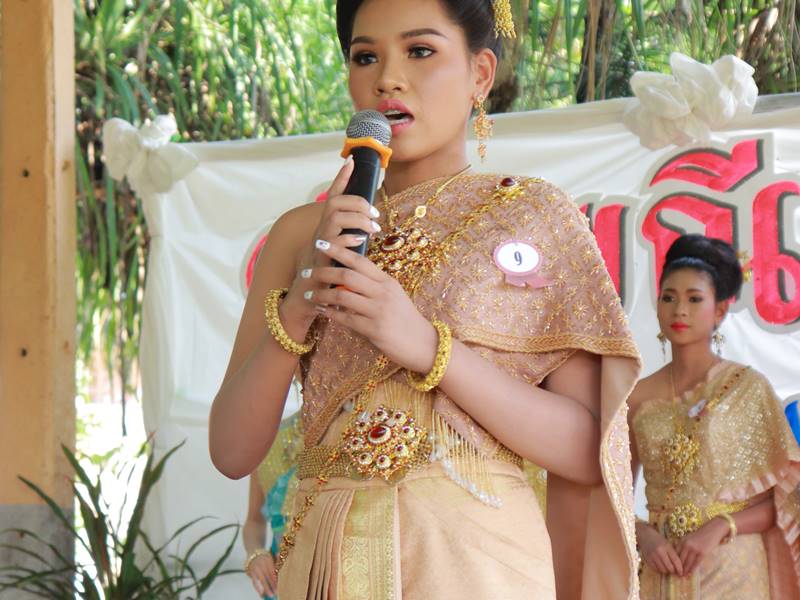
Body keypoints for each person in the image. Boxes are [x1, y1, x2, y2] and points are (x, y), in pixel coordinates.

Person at [209, 1, 642, 598]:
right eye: (366, 57)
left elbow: (589, 450)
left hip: (477, 566)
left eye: (419, 51)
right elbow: (231, 452)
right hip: (327, 560)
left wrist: (428, 348)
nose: (388, 77)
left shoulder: (533, 213)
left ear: (480, 74)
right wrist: (302, 302)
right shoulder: (301, 234)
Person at [629, 234, 800, 599]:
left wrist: (721, 526)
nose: (680, 310)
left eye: (694, 299)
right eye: (669, 297)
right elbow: (611, 495)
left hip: (733, 566)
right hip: (663, 567)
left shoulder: (747, 388)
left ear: (719, 310)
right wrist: (642, 534)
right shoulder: (635, 396)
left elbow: (784, 499)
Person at [243, 412, 302, 599]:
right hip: (279, 586)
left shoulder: (361, 433)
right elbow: (254, 521)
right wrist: (255, 554)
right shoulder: (267, 440)